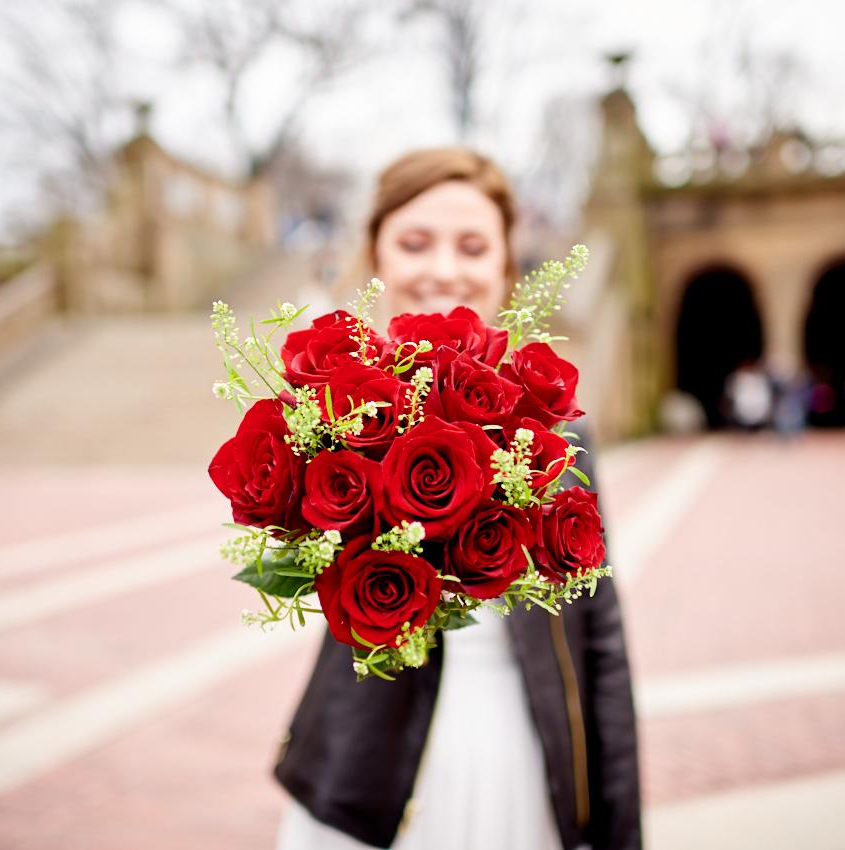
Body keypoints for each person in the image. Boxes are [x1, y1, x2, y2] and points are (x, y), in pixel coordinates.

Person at [273, 148, 643, 850]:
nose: (444, 269)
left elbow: (603, 641)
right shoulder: (332, 413)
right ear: (374, 257)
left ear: (506, 270)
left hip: (523, 760)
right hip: (366, 774)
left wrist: (622, 832)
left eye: (473, 247)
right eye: (415, 243)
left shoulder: (558, 438)